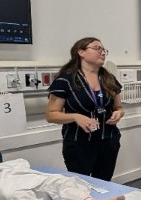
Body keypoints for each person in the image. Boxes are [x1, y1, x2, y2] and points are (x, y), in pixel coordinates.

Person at [47, 37, 124, 181]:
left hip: (108, 140)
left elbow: (119, 107)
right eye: (97, 48)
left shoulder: (109, 79)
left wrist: (119, 113)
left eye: (103, 50)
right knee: (81, 186)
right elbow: (51, 115)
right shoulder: (65, 81)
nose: (102, 52)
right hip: (79, 144)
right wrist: (76, 117)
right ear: (81, 52)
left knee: (104, 184)